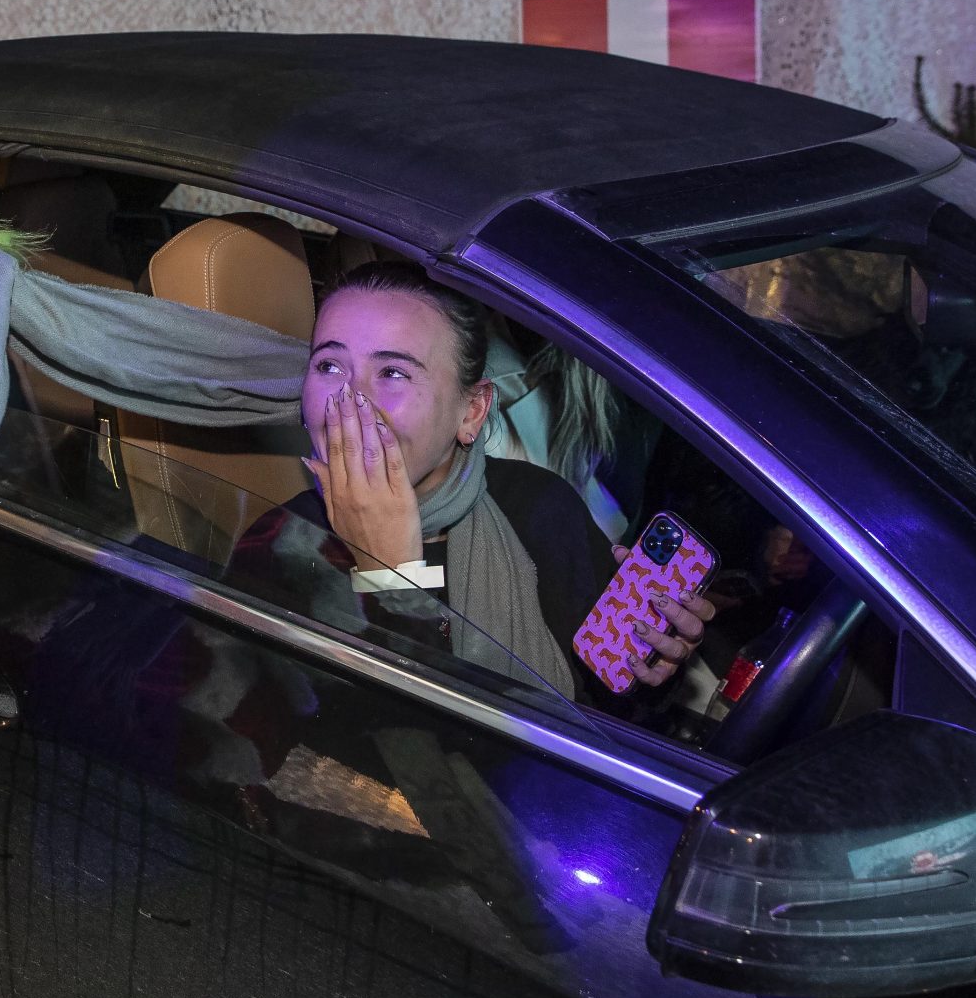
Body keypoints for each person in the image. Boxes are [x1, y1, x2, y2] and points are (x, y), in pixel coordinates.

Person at [236, 261, 713, 708]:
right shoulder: (281, 544)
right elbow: (386, 740)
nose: (352, 401)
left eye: (393, 372)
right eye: (329, 366)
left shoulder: (538, 506)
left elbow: (597, 711)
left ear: (472, 411)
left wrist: (654, 669)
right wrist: (389, 576)